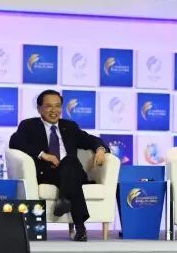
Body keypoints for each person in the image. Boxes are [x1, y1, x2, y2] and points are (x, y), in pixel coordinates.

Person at [9, 89, 108, 242]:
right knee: (71, 169)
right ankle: (80, 227)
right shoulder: (29, 125)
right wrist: (43, 154)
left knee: (70, 161)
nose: (54, 110)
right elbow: (15, 142)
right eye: (48, 106)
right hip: (47, 174)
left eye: (57, 106)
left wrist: (100, 149)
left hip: (72, 170)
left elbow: (91, 140)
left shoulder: (70, 126)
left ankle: (63, 199)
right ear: (39, 109)